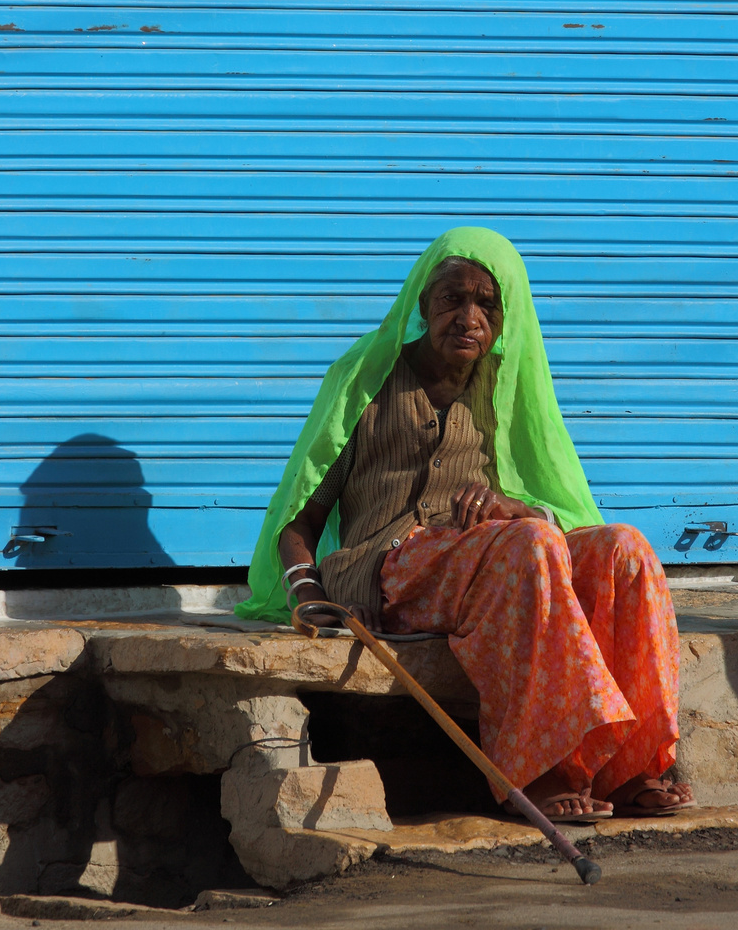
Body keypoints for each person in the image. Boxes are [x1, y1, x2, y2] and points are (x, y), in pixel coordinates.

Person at [236, 227, 694, 821]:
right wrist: (305, 591)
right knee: (529, 547)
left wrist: (520, 509)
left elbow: (545, 508)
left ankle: (632, 764)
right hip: (388, 562)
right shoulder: (366, 380)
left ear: (509, 317)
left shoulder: (505, 389)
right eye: (452, 299)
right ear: (422, 306)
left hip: (490, 556)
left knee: (623, 548)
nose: (468, 316)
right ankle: (538, 769)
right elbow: (301, 517)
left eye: (487, 302)